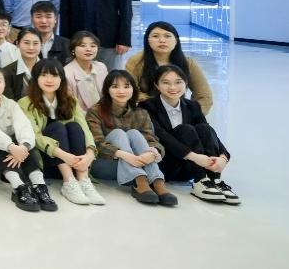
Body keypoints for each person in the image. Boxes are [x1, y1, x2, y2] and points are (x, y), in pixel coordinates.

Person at [0, 64, 54, 212]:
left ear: (4, 84)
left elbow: (24, 126)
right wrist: (11, 147)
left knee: (23, 141)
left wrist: (23, 147)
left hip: (9, 159)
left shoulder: (11, 104)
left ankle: (39, 185)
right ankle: (18, 187)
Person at [141, 65, 237, 203]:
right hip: (165, 165)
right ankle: (200, 181)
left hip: (189, 168)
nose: (173, 87)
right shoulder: (146, 106)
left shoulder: (193, 106)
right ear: (157, 85)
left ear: (186, 83)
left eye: (178, 82)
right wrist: (195, 157)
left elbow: (209, 133)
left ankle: (214, 180)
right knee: (186, 129)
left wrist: (223, 156)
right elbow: (161, 135)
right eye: (166, 82)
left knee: (204, 128)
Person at [19, 60, 103, 206]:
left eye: (55, 75)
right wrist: (63, 155)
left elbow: (85, 129)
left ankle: (83, 180)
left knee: (74, 126)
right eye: (44, 75)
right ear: (36, 78)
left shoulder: (71, 101)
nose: (49, 80)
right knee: (57, 127)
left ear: (62, 79)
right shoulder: (25, 103)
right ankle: (69, 182)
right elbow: (34, 136)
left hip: (75, 162)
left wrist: (90, 154)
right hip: (47, 161)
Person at [85, 70, 176, 205]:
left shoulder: (141, 113)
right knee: (118, 133)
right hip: (105, 165)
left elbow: (152, 140)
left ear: (133, 89)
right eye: (115, 86)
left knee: (134, 133)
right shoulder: (95, 111)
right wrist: (127, 156)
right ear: (107, 90)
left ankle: (157, 181)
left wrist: (152, 153)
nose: (121, 91)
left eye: (126, 86)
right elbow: (96, 144)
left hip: (139, 163)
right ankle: (140, 181)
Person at [126, 20, 213, 114]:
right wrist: (157, 108)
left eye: (167, 36)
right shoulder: (136, 62)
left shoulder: (188, 63)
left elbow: (204, 96)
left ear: (176, 41)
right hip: (148, 111)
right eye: (155, 36)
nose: (162, 40)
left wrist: (190, 115)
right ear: (147, 40)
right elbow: (129, 91)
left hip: (178, 112)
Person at [64, 31, 110, 111]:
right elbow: (70, 106)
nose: (88, 49)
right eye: (83, 46)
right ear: (73, 49)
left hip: (104, 112)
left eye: (93, 46)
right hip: (80, 115)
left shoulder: (101, 67)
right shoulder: (66, 73)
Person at [3, 27, 45, 101]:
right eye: (26, 43)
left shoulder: (49, 69)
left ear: (41, 45)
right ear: (17, 44)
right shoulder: (6, 72)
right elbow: (8, 102)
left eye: (35, 43)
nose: (31, 47)